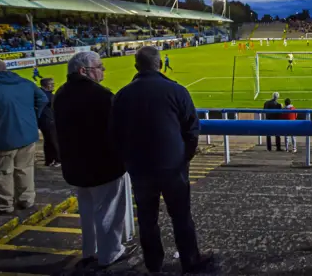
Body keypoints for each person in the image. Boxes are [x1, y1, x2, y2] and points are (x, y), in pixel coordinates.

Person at [110, 46, 205, 273]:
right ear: (160, 64)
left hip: (140, 168)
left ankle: (153, 264)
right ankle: (190, 262)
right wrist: (185, 158)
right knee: (181, 216)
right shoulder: (177, 91)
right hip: (173, 167)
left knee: (147, 218)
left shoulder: (122, 95)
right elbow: (192, 130)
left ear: (136, 66)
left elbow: (114, 134)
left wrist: (128, 161)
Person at [53, 52, 136, 269]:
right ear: (83, 71)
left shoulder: (60, 94)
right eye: (99, 67)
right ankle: (111, 254)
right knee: (109, 212)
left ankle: (91, 251)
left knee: (88, 212)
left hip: (75, 167)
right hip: (103, 165)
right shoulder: (101, 95)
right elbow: (118, 129)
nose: (103, 71)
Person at [0, 58, 48, 215]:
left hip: (1, 138)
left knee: (1, 173)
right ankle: (26, 200)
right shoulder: (25, 82)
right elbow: (43, 98)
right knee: (25, 168)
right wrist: (33, 117)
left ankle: (4, 205)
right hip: (28, 134)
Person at [38, 78, 61, 167]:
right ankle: (58, 160)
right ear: (47, 85)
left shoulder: (39, 93)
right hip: (50, 121)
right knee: (53, 141)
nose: (53, 85)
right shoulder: (49, 96)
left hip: (43, 122)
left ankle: (49, 160)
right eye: (52, 84)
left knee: (48, 141)